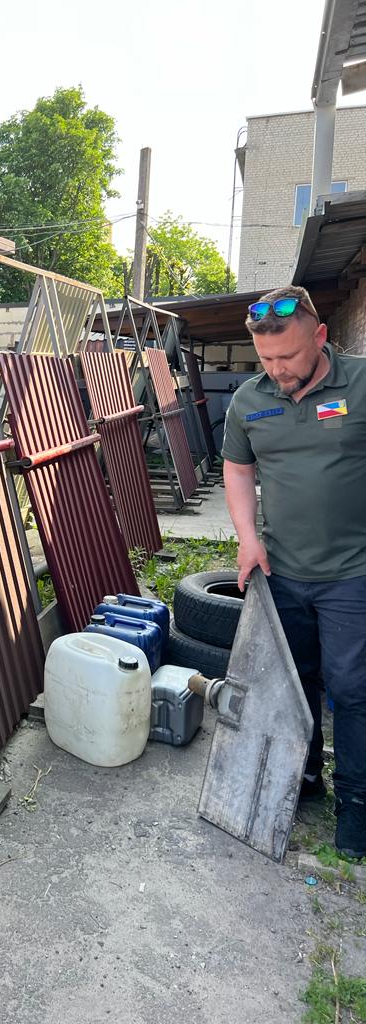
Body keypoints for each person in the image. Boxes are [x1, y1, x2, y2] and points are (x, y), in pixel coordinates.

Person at [221, 284, 366, 860]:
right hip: (281, 571)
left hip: (353, 572)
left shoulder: (360, 384)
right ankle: (303, 776)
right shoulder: (250, 400)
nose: (277, 369)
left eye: (288, 356)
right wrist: (248, 539)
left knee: (351, 689)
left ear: (321, 337)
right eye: (267, 359)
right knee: (294, 681)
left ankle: (356, 802)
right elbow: (237, 468)